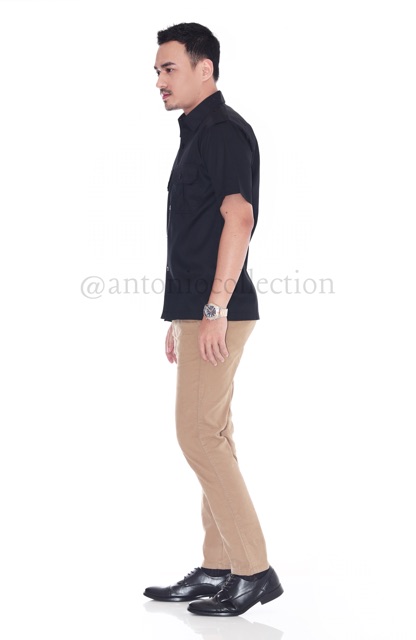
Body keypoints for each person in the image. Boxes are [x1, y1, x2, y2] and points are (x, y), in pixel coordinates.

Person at [143, 22, 283, 617]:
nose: (159, 80)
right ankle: (218, 564)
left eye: (169, 68)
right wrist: (182, 316)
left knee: (198, 436)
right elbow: (195, 234)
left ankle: (253, 570)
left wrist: (214, 309)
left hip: (217, 310)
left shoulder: (222, 131)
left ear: (206, 68)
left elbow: (238, 219)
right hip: (200, 310)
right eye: (156, 71)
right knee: (213, 435)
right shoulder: (198, 132)